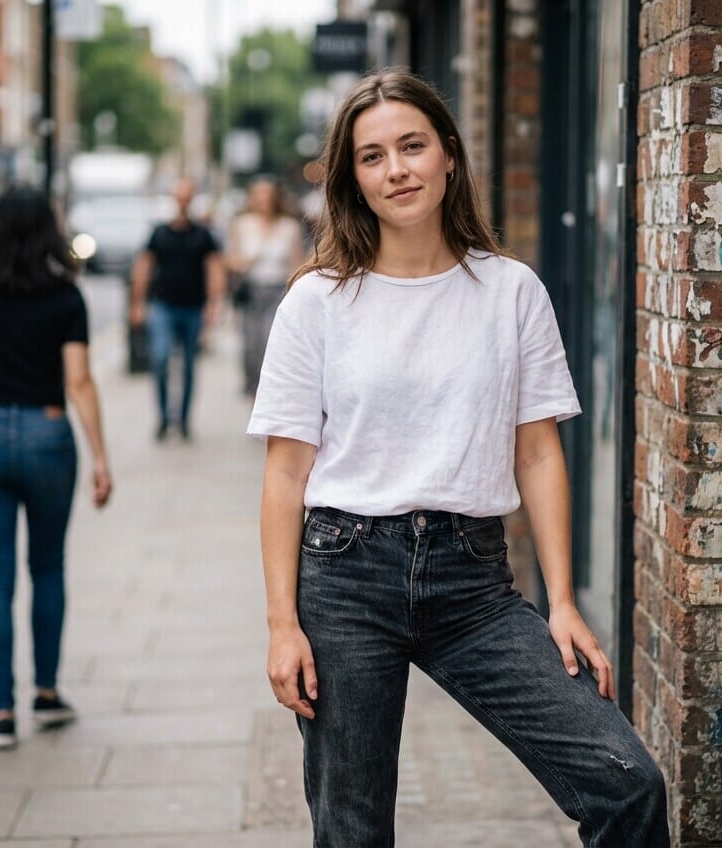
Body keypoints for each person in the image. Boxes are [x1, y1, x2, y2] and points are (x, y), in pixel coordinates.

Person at [248, 71, 669, 846]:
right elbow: (284, 473)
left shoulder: (510, 292)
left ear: (449, 155)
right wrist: (283, 625)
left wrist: (564, 600)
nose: (397, 169)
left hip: (472, 584)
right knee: (354, 830)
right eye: (373, 157)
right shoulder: (317, 302)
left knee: (626, 782)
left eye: (412, 146)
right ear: (354, 178)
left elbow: (539, 452)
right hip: (345, 578)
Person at [0, 185, 112, 750]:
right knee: (48, 568)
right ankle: (48, 693)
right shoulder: (65, 295)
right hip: (47, 432)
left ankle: (1, 712)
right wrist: (100, 457)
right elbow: (79, 380)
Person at [129, 178, 227, 441]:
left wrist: (214, 304)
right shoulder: (160, 233)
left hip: (193, 307)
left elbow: (215, 269)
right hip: (163, 305)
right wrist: (137, 302)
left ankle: (183, 420)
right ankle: (163, 418)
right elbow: (144, 267)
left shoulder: (203, 235)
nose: (183, 202)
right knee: (160, 359)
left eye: (187, 197)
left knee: (188, 366)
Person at [227, 177, 305, 395]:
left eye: (268, 195)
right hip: (251, 290)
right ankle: (252, 389)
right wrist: (246, 261)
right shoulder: (242, 224)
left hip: (278, 290)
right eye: (258, 195)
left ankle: (271, 391)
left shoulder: (288, 227)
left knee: (270, 341)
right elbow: (230, 260)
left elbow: (298, 264)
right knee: (251, 345)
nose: (263, 200)